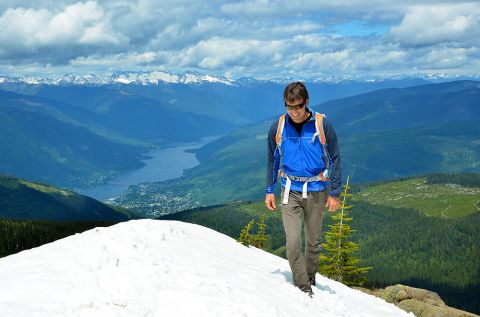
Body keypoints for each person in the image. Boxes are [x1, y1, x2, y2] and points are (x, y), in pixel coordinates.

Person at [265, 81, 342, 296]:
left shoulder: (321, 124)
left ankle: (309, 279)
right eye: (289, 107)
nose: (294, 112)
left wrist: (335, 192)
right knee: (292, 243)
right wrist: (269, 190)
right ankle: (303, 288)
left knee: (314, 242)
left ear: (306, 102)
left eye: (297, 107)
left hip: (317, 190)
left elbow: (335, 158)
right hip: (289, 190)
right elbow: (272, 161)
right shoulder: (279, 127)